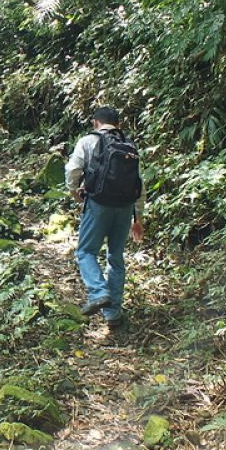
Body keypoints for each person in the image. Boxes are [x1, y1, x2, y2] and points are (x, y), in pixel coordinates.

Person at [64, 106, 145, 328]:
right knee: (116, 258)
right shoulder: (129, 144)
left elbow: (72, 171)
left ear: (95, 122)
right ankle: (113, 315)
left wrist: (75, 193)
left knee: (86, 251)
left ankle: (98, 292)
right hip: (125, 207)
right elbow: (138, 183)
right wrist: (138, 219)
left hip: (98, 205)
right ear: (117, 124)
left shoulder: (88, 141)